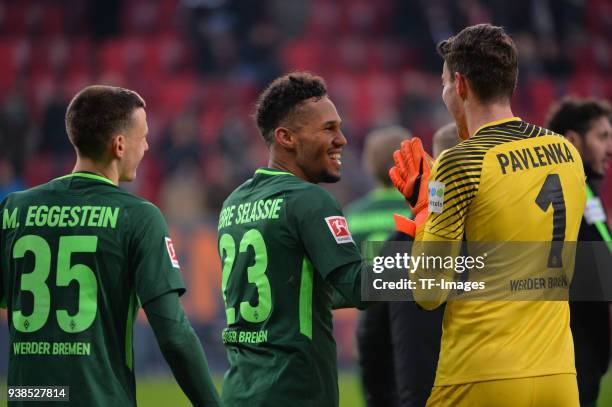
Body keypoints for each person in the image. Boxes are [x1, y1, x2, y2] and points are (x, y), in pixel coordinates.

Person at [390, 24, 586, 406]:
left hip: (482, 375)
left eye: (444, 84)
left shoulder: (460, 161)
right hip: (559, 376)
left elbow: (428, 291)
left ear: (460, 85)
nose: (444, 93)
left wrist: (426, 208)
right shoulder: (565, 151)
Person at [0, 85, 220, 406]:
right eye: (142, 137)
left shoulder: (14, 209)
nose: (145, 147)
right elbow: (173, 334)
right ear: (119, 145)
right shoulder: (138, 217)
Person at [217, 72, 366, 407]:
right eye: (328, 128)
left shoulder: (234, 204)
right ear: (285, 137)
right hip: (294, 393)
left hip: (238, 393)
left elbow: (295, 293)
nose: (341, 139)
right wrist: (438, 265)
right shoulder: (307, 200)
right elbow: (358, 285)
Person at [546, 97, 612, 407]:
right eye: (602, 137)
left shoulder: (586, 194)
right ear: (572, 139)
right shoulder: (563, 195)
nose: (609, 148)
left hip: (584, 352)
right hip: (569, 354)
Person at [346, 126, 412, 407]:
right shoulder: (420, 211)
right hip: (414, 319)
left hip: (372, 321)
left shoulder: (352, 217)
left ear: (368, 166)